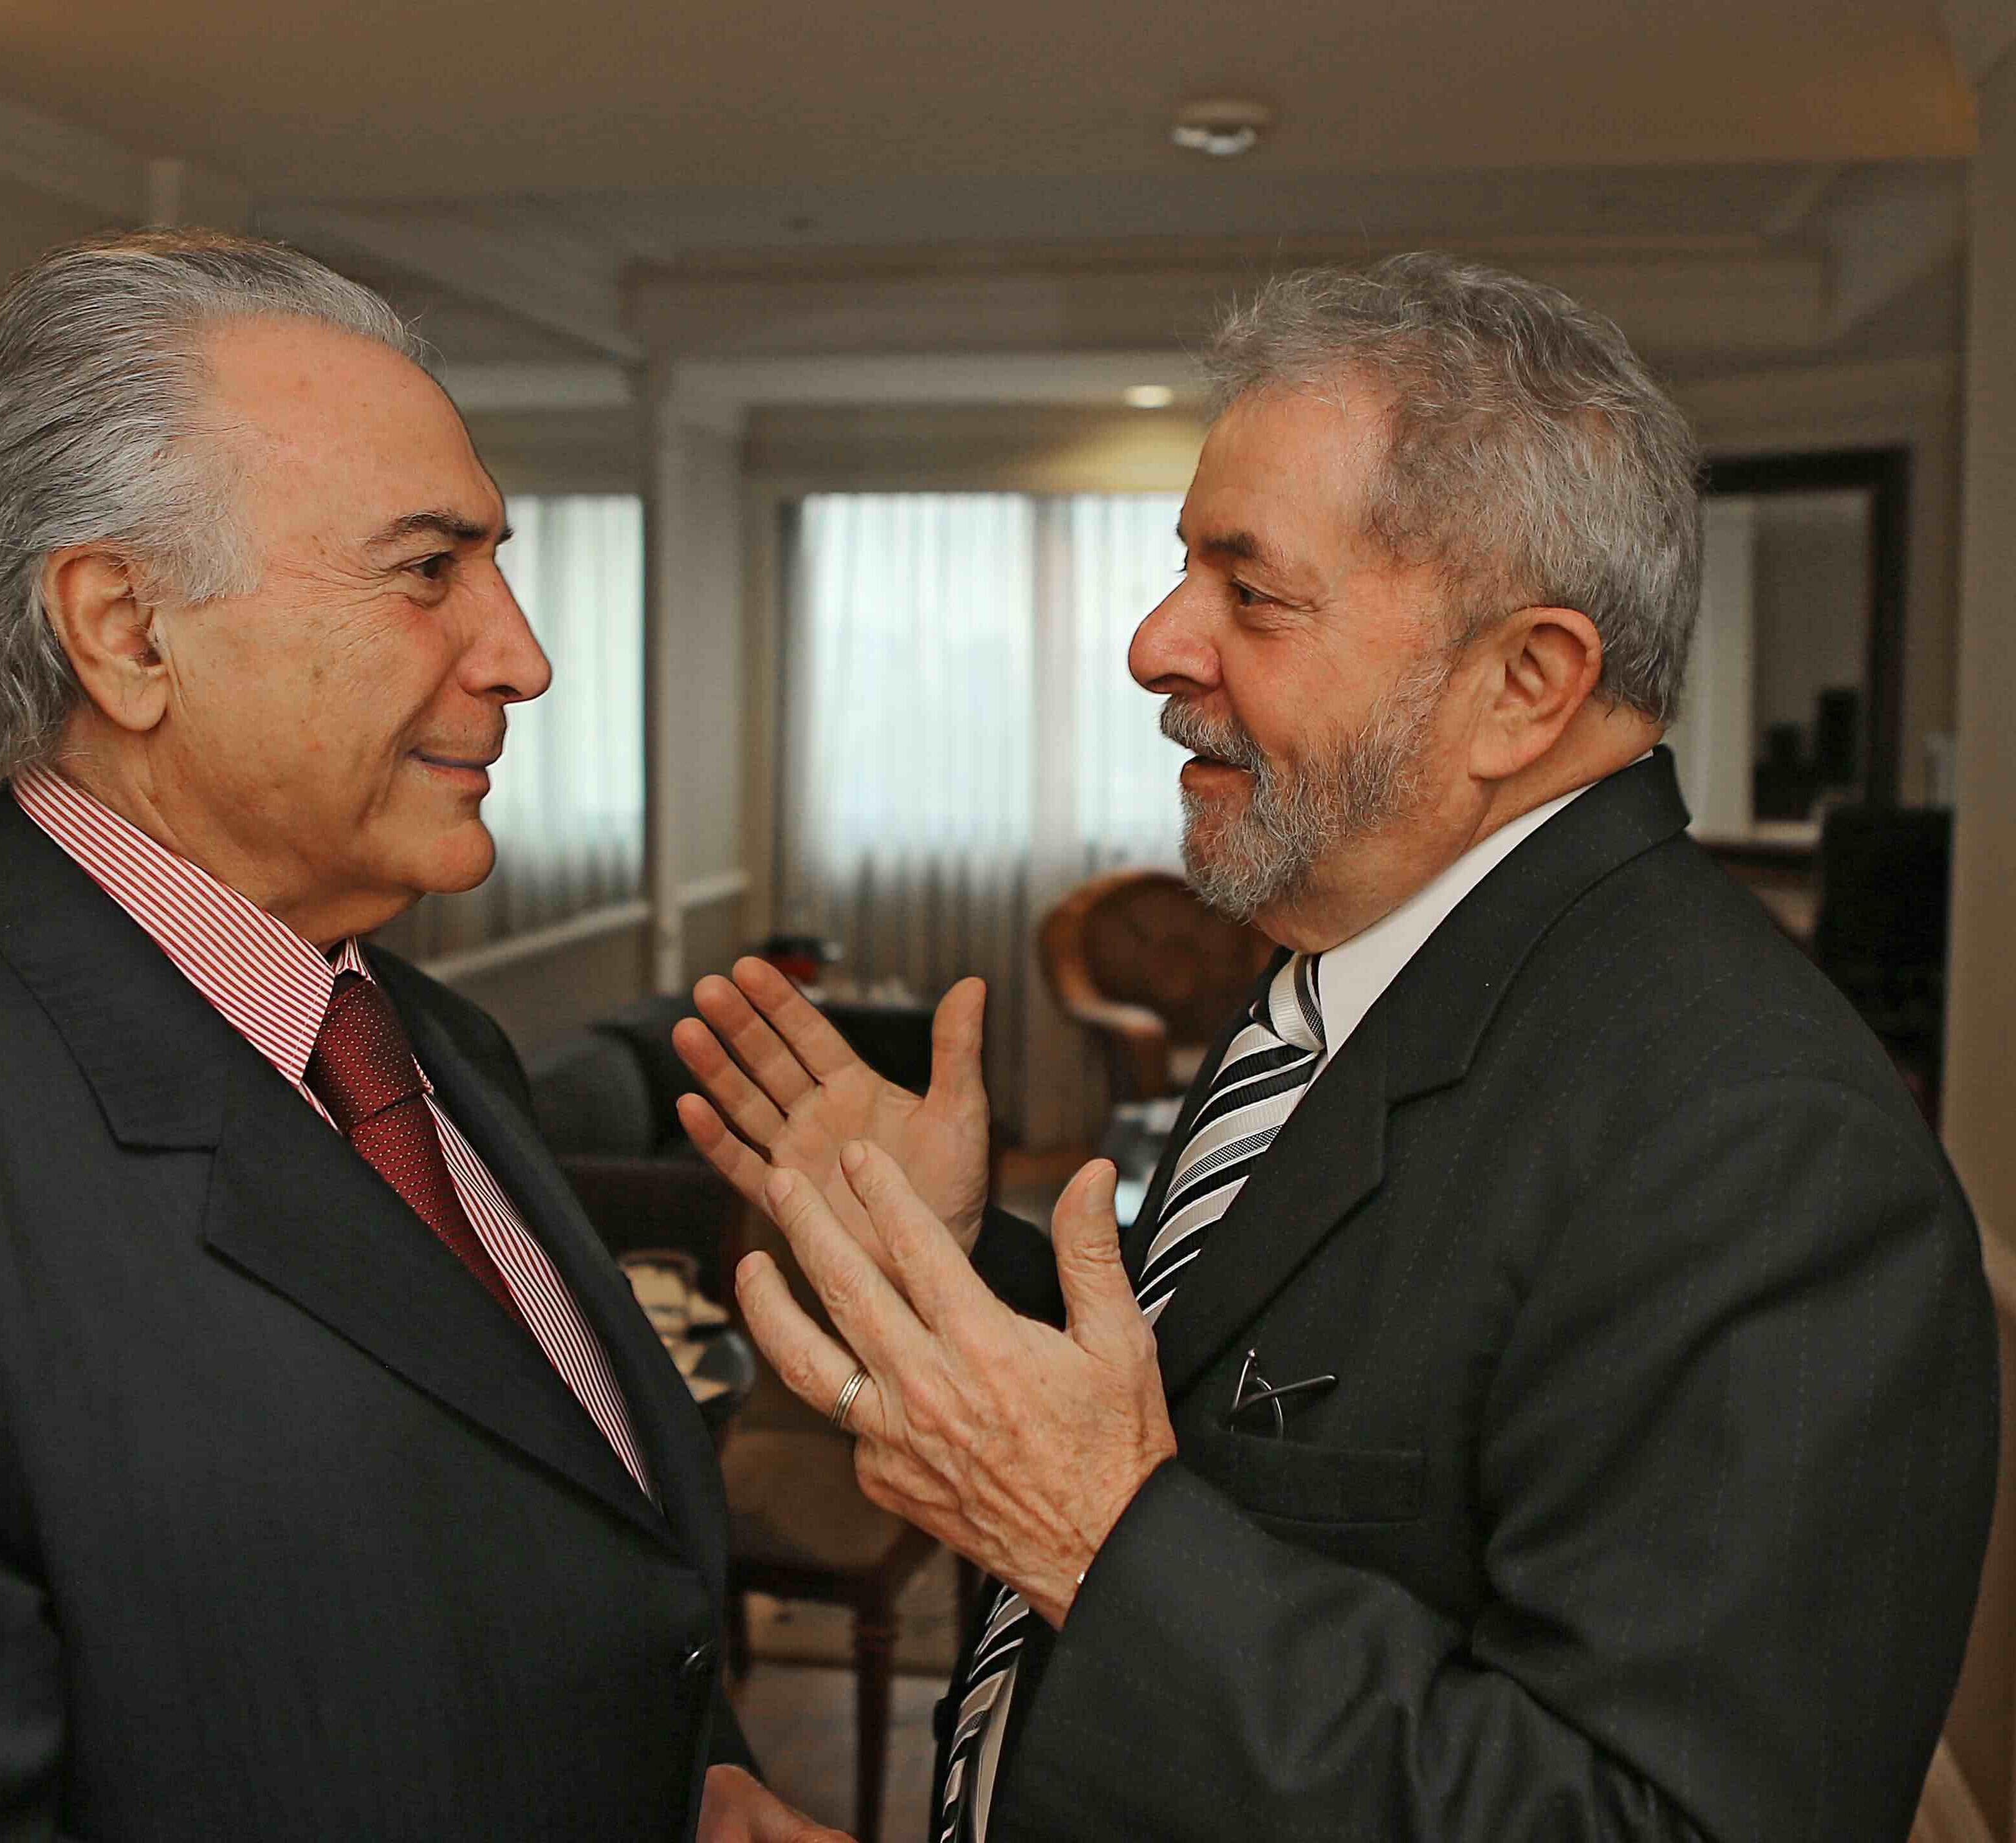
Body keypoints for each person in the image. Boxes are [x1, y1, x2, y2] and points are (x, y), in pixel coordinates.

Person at [672, 253, 1997, 1842]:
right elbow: (1252, 1406)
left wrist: (1096, 1542)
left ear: (1522, 686)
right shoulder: (1354, 970)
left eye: (1252, 593)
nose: (1153, 642)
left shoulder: (1762, 1150)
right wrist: (956, 1257)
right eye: (1183, 569)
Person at [0, 231, 843, 1843]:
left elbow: (560, 1556)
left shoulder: (423, 1042)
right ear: (126, 631)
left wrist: (692, 1784)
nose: (521, 656)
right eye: (426, 570)